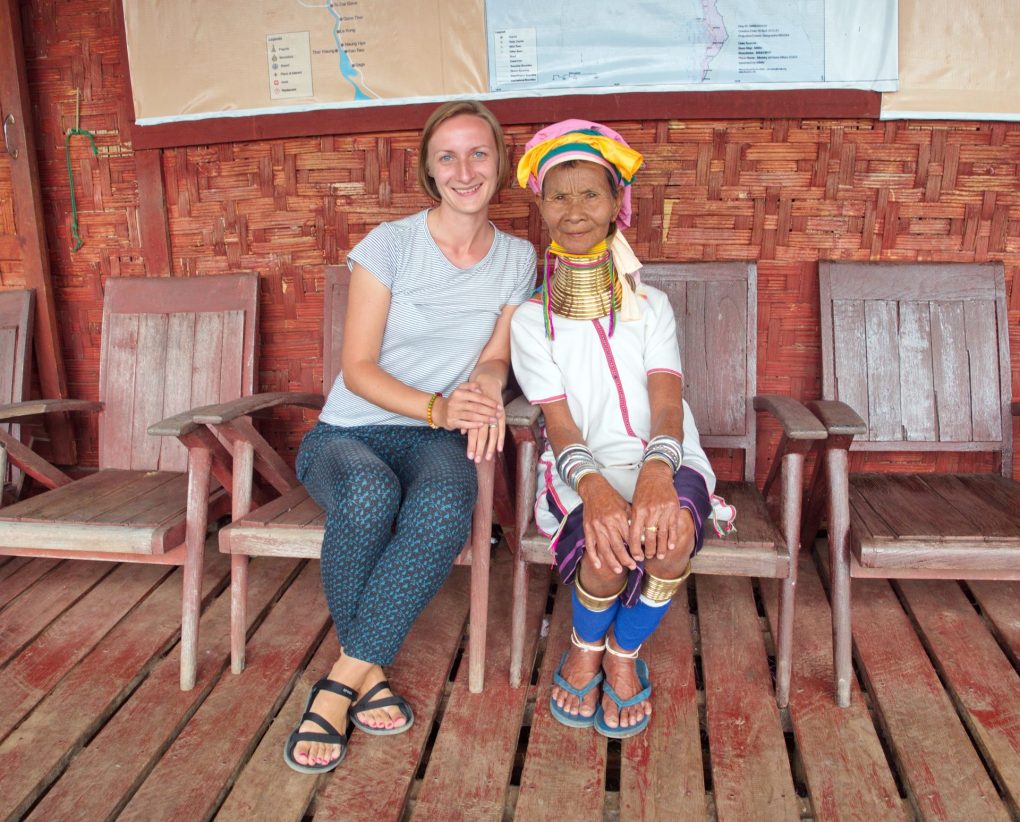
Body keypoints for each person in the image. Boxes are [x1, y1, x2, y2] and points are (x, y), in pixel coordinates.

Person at [285, 101, 537, 773]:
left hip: (436, 438)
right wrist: (439, 409)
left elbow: (496, 356)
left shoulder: (518, 257)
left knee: (448, 505)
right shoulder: (390, 246)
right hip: (351, 431)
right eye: (447, 156)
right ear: (429, 169)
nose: (464, 170)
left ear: (499, 163)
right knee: (369, 493)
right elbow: (358, 368)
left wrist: (486, 389)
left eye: (478, 153)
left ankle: (344, 676)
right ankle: (360, 679)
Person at [510, 119, 724, 738]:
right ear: (541, 208)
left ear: (616, 205)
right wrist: (596, 489)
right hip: (579, 463)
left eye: (590, 194)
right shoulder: (531, 321)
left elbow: (667, 403)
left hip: (669, 452)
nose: (574, 210)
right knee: (605, 547)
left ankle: (622, 654)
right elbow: (558, 423)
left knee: (670, 537)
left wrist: (658, 472)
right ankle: (584, 648)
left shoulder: (651, 307)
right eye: (558, 196)